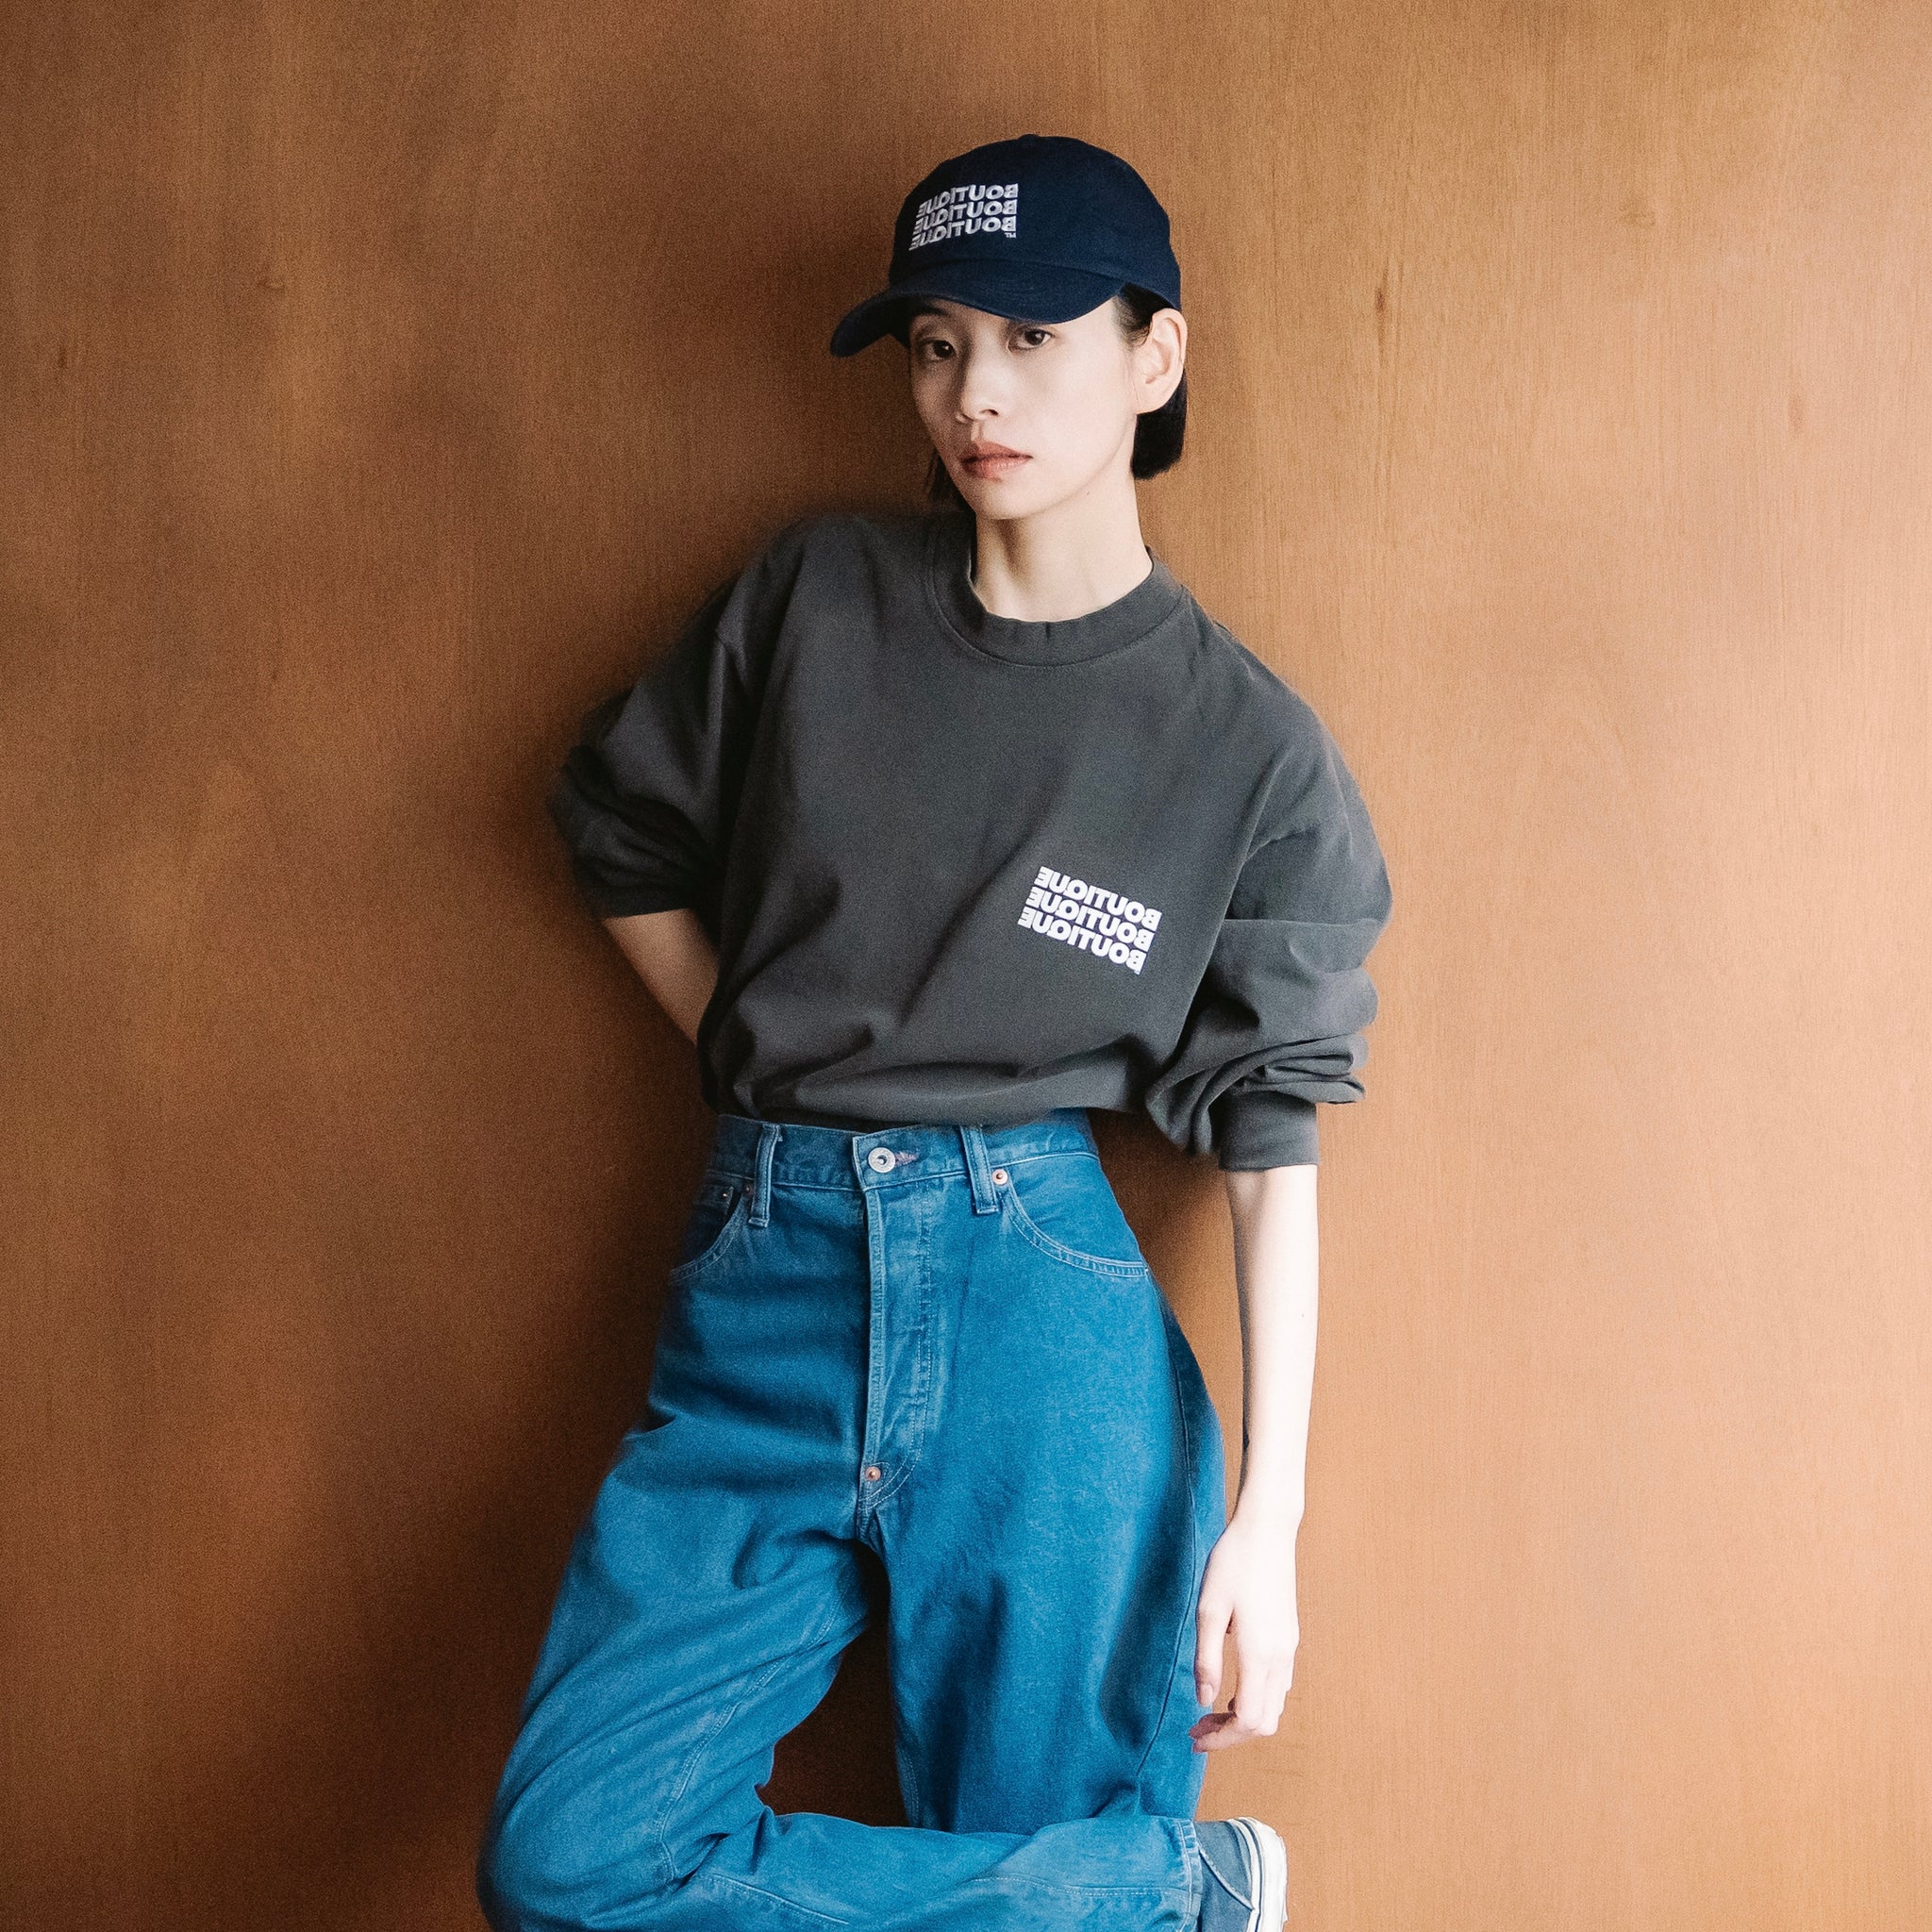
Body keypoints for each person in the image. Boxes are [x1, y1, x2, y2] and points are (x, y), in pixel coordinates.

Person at [476, 132, 1392, 1932]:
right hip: (765, 1284)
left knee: (1034, 1808)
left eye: (1034, 339)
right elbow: (619, 834)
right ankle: (1166, 1903)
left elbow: (1272, 1141)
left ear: (1155, 357)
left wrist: (1269, 1524)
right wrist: (758, 1057)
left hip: (1037, 1314)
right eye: (938, 344)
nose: (977, 394)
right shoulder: (812, 603)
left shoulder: (1248, 755)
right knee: (570, 1865)